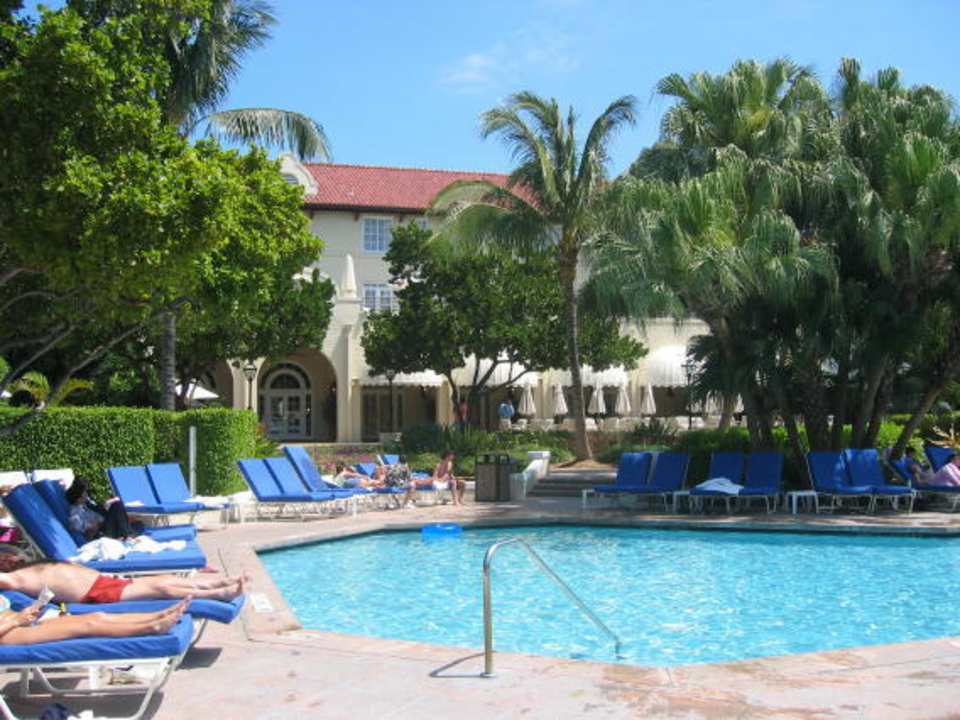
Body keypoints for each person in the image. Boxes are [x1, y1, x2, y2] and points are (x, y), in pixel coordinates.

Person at [0, 560, 246, 604]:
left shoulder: (27, 566)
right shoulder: (15, 578)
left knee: (161, 579)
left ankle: (214, 584)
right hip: (94, 594)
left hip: (102, 581)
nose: (8, 557)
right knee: (158, 588)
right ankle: (217, 595)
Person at [0, 596, 190, 646]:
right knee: (88, 625)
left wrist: (24, 613)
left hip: (19, 622)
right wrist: (16, 621)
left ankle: (157, 615)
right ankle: (153, 627)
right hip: (9, 635)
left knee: (96, 616)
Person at [66, 478, 136, 541]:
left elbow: (99, 510)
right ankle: (127, 535)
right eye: (85, 492)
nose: (87, 494)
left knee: (117, 506)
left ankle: (126, 534)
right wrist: (92, 525)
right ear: (79, 495)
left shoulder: (87, 504)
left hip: (105, 526)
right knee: (117, 505)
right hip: (100, 533)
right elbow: (76, 526)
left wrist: (106, 506)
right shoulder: (75, 511)